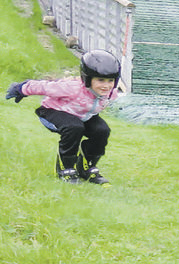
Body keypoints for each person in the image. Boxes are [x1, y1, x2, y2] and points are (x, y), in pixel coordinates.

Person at [7, 49, 122, 184]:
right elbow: (45, 87)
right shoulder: (72, 87)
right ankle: (65, 170)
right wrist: (21, 89)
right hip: (51, 111)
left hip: (81, 116)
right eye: (101, 80)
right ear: (87, 78)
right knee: (74, 127)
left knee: (102, 131)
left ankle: (87, 168)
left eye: (110, 81)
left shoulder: (110, 93)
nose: (106, 85)